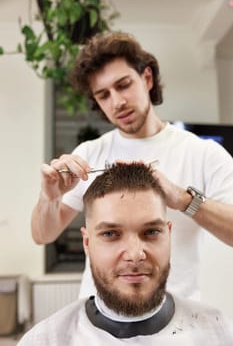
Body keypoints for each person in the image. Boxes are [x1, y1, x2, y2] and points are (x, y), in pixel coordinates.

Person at [31, 31, 233, 300]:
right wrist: (49, 198)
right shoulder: (89, 154)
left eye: (123, 85)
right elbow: (42, 235)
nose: (117, 102)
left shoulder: (203, 153)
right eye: (103, 95)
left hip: (176, 325)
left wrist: (183, 199)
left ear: (147, 78)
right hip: (98, 326)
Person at [19, 163, 233, 345]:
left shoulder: (217, 332)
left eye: (151, 232)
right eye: (111, 234)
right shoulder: (46, 340)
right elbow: (41, 233)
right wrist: (48, 199)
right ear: (87, 243)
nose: (135, 254)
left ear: (168, 235)